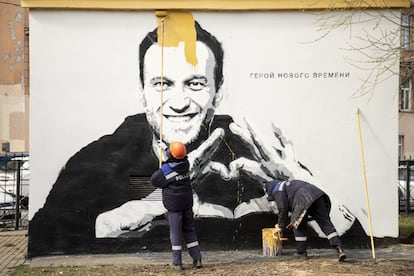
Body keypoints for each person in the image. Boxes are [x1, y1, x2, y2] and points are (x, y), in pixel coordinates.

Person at [28, 12, 358, 257]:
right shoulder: (99, 159)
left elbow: (358, 241)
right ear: (142, 94)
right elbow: (43, 236)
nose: (180, 101)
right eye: (162, 84)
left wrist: (307, 186)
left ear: (218, 93)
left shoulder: (260, 156)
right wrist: (121, 218)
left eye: (195, 83)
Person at [265, 179, 347, 261]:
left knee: (298, 226)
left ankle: (301, 252)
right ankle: (339, 249)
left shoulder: (277, 189)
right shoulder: (287, 185)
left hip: (302, 198)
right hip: (317, 196)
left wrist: (280, 227)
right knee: (325, 223)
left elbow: (283, 209)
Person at [151, 141, 202, 270]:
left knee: (175, 233)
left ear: (170, 154)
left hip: (174, 206)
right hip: (187, 203)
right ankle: (197, 258)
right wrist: (166, 149)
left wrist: (162, 164)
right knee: (189, 230)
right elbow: (176, 157)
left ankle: (177, 263)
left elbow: (155, 180)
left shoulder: (166, 170)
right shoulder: (186, 164)